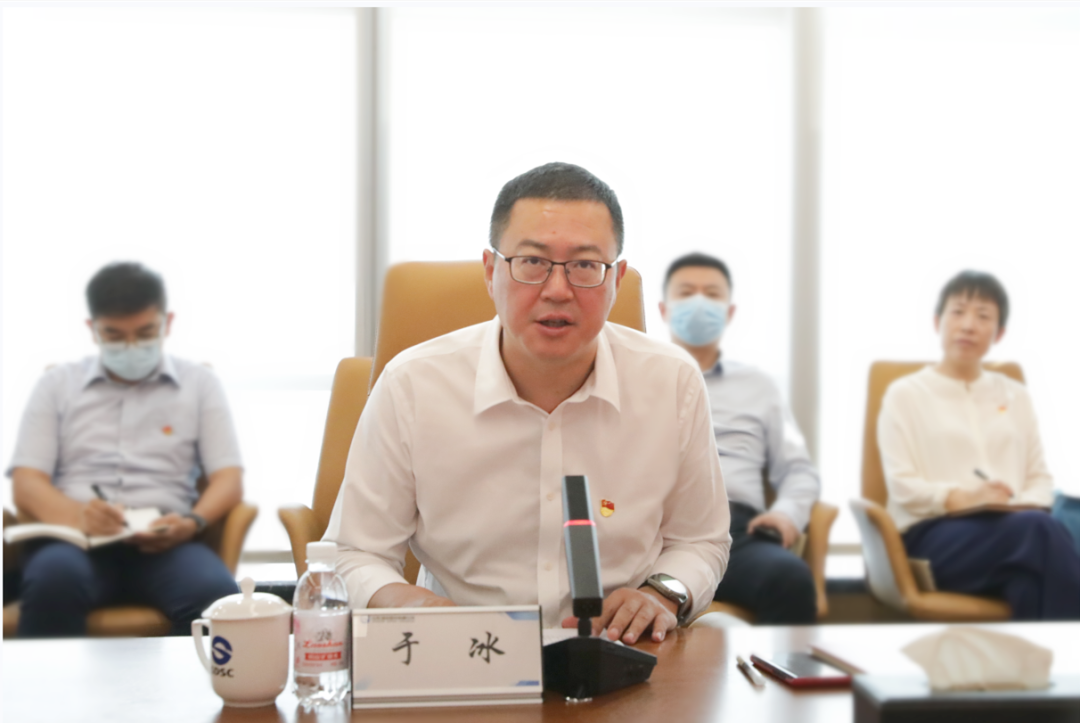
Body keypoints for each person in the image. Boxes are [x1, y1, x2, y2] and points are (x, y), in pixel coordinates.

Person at [324, 162, 730, 644]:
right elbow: (355, 552)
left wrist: (662, 593)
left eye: (585, 265)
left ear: (616, 279)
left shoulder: (673, 382)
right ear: (491, 271)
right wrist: (417, 607)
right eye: (532, 261)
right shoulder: (412, 385)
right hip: (463, 653)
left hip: (620, 651)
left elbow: (700, 539)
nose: (557, 291)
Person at [7, 262, 243, 637]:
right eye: (114, 335)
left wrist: (192, 523)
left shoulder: (200, 384)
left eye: (145, 332)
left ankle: (191, 681)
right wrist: (79, 516)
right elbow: (27, 481)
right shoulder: (56, 384)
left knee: (215, 598)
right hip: (73, 542)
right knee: (53, 582)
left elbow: (228, 477)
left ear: (167, 322)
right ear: (93, 329)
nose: (131, 346)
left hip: (168, 544)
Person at [878, 270, 1080, 620]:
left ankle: (1035, 658)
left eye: (983, 316)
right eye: (958, 312)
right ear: (937, 322)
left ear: (999, 333)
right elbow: (901, 484)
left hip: (1017, 533)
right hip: (931, 536)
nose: (968, 325)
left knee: (1028, 580)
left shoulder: (1015, 395)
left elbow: (1040, 479)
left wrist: (1015, 505)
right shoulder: (905, 394)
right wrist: (963, 498)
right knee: (1043, 530)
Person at [659, 252, 820, 624]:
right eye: (687, 292)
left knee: (791, 580)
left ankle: (784, 666)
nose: (699, 302)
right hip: (653, 529)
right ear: (663, 309)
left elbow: (799, 470)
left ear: (729, 312)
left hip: (738, 534)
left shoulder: (759, 386)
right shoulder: (637, 377)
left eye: (712, 294)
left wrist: (786, 513)